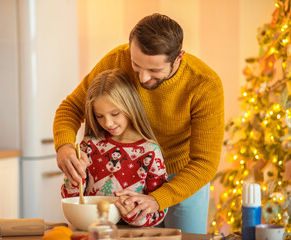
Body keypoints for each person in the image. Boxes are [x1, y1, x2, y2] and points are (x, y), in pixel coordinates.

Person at [54, 13, 224, 234]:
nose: (142, 78)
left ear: (179, 57)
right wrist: (64, 147)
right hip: (131, 170)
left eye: (154, 70)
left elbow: (205, 163)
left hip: (183, 175)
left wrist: (157, 199)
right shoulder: (116, 60)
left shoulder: (205, 84)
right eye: (136, 66)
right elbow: (71, 108)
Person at [61, 69, 168, 227]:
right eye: (99, 116)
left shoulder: (150, 152)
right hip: (91, 230)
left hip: (132, 235)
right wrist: (75, 178)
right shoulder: (89, 145)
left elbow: (159, 212)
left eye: (115, 113)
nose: (108, 123)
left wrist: (134, 215)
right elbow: (72, 196)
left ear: (130, 106)